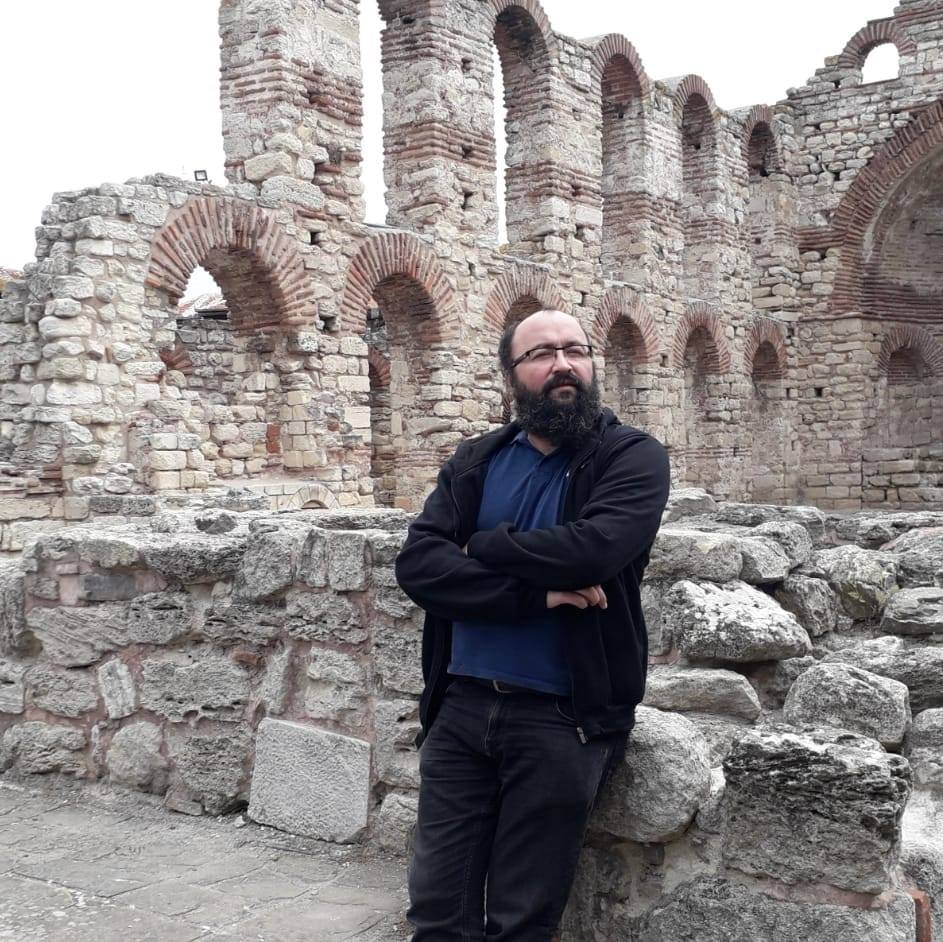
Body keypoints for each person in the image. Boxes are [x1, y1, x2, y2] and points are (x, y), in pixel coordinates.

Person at [394, 309, 670, 941]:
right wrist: (536, 596)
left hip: (564, 719)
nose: (563, 365)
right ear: (512, 375)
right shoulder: (476, 461)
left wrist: (482, 545)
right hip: (461, 705)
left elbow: (594, 551)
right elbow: (420, 566)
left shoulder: (631, 456)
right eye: (541, 354)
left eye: (576, 350)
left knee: (522, 918)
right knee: (436, 910)